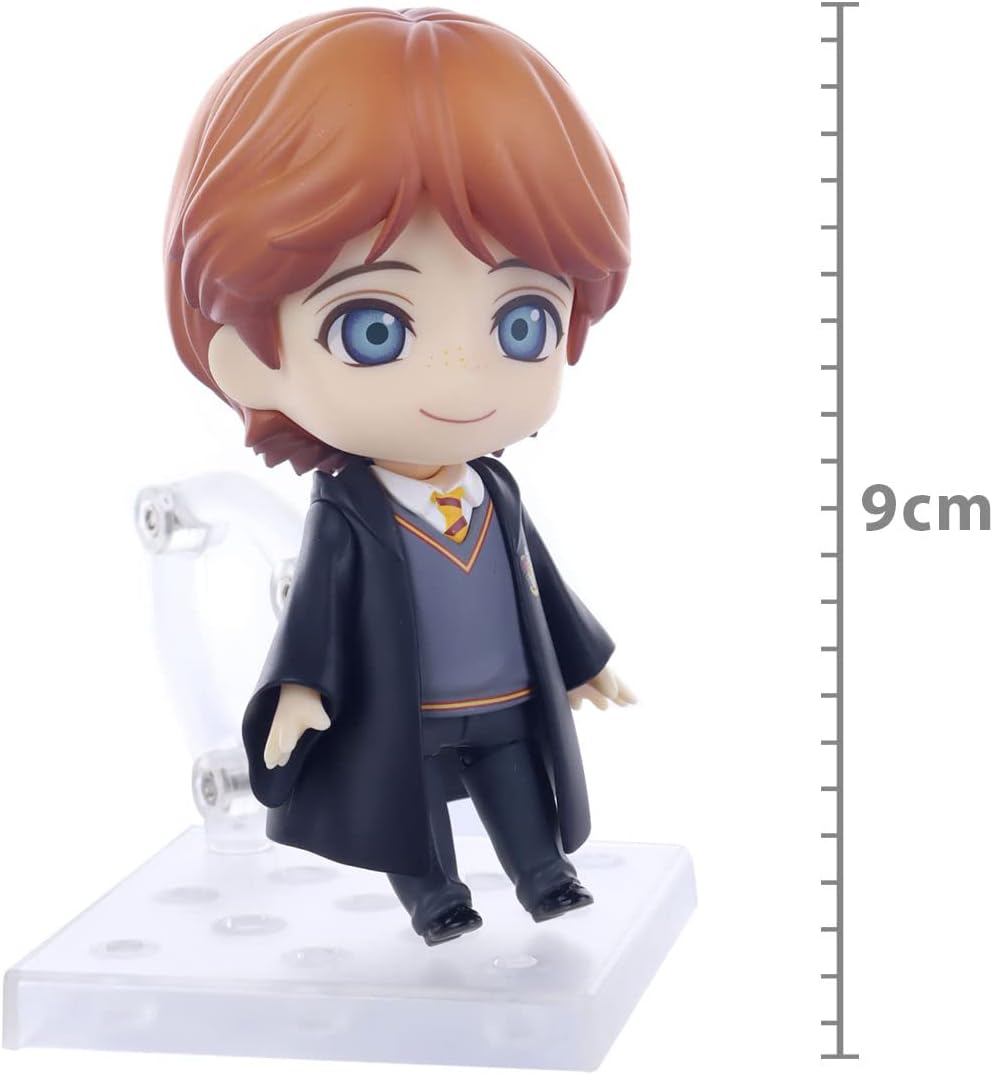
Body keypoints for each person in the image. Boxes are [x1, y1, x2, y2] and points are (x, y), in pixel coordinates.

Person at [165, 7, 635, 945]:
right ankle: (434, 899)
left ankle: (543, 875)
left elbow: (538, 580)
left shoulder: (495, 491)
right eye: (373, 328)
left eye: (521, 323)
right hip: (400, 707)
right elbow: (317, 605)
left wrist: (582, 657)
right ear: (249, 360)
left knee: (516, 781)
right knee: (403, 806)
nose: (461, 378)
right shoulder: (349, 507)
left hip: (503, 699)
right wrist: (298, 689)